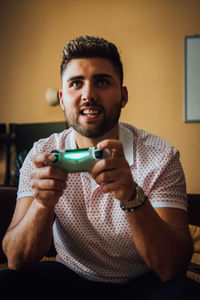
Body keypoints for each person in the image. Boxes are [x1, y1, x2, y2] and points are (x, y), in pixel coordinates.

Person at [1, 36, 200, 299]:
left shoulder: (161, 156)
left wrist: (132, 196)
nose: (88, 95)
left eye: (102, 82)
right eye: (76, 84)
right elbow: (16, 260)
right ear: (62, 99)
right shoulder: (41, 154)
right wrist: (41, 203)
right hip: (71, 277)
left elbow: (172, 268)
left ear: (123, 96)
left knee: (187, 293)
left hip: (143, 282)